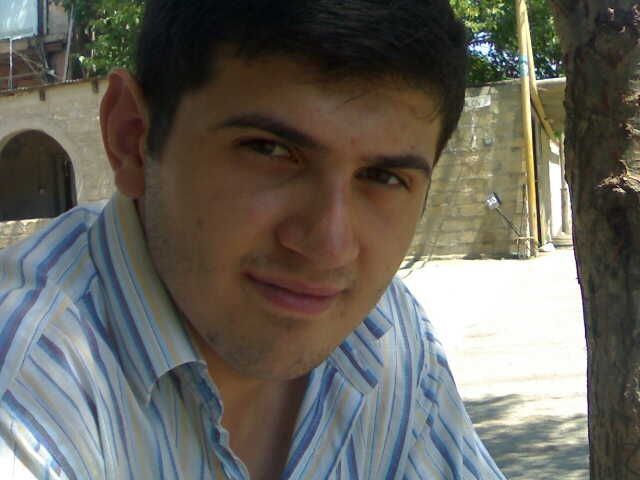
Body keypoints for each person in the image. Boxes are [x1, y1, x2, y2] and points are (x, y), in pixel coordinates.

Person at [0, 1, 506, 479]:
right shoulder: (26, 384)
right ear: (133, 138)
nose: (329, 246)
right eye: (270, 150)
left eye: (383, 177)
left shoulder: (390, 334)